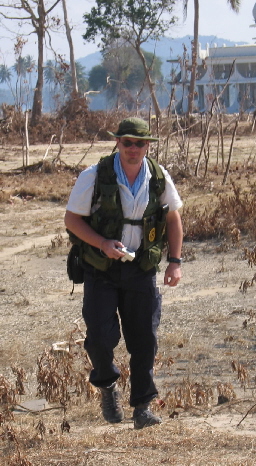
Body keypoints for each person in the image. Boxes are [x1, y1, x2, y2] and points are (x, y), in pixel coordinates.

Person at [64, 117, 183, 429]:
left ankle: (142, 407)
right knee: (100, 338)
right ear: (117, 142)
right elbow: (72, 220)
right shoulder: (94, 175)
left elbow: (173, 219)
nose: (133, 148)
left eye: (139, 143)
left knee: (145, 338)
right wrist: (102, 243)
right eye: (127, 141)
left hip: (141, 268)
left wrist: (175, 261)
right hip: (100, 269)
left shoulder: (158, 176)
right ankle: (107, 386)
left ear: (147, 146)